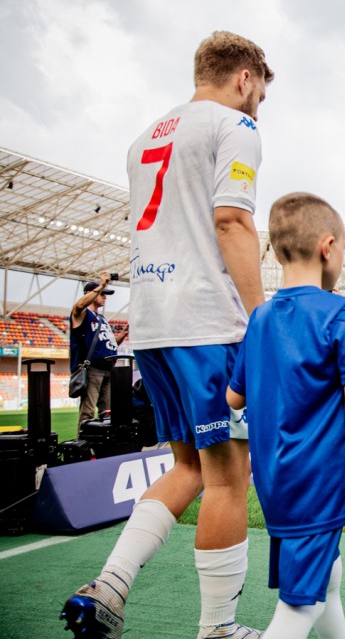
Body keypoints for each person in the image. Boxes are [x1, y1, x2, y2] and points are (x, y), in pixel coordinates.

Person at [61, 31, 273, 639]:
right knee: (231, 476)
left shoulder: (144, 137)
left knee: (187, 466)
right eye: (259, 92)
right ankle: (219, 628)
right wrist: (260, 317)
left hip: (152, 325)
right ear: (243, 78)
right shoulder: (235, 127)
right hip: (207, 321)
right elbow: (231, 218)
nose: (259, 105)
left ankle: (110, 586)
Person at [227, 193, 345, 637]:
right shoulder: (341, 313)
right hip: (316, 483)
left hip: (274, 481)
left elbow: (233, 398)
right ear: (328, 247)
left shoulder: (261, 318)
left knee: (326, 580)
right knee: (298, 607)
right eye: (343, 248)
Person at [69, 273, 127, 426]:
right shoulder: (82, 313)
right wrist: (101, 285)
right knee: (88, 411)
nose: (105, 297)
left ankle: (104, 446)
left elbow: (110, 344)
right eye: (102, 294)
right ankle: (82, 445)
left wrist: (122, 335)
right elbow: (79, 306)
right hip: (93, 368)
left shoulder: (101, 318)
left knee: (107, 412)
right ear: (89, 293)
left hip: (108, 368)